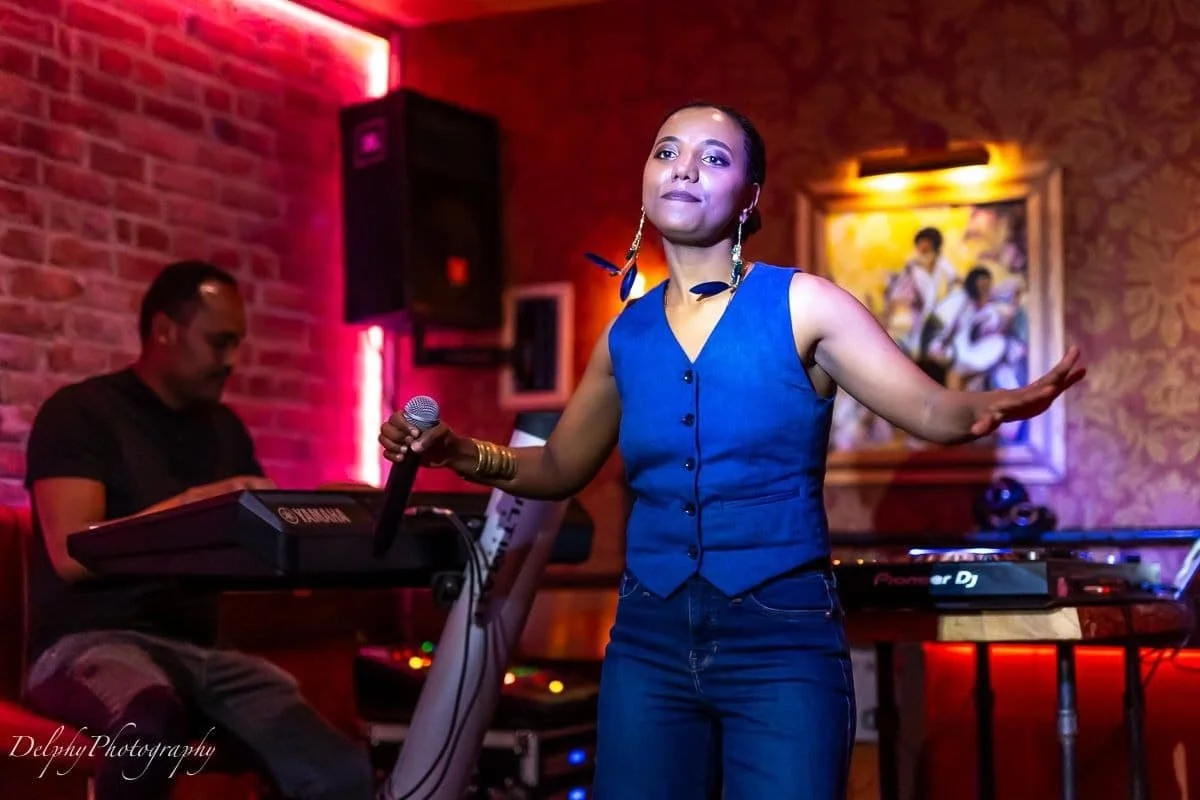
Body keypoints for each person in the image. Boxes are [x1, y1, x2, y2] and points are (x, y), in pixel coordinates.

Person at [377, 102, 1085, 799]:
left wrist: (989, 406)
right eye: (667, 152)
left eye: (712, 158)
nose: (683, 169)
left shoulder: (803, 304)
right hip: (648, 639)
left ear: (749, 197)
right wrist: (459, 451)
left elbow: (929, 408)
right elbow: (560, 467)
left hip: (781, 638)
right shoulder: (626, 334)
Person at [23, 261, 375, 800]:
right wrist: (198, 506)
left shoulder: (224, 429)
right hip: (88, 644)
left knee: (338, 767)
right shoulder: (80, 413)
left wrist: (326, 513)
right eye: (219, 342)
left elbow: (255, 556)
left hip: (202, 653)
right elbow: (72, 555)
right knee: (150, 726)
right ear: (165, 330)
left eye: (237, 343)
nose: (232, 360)